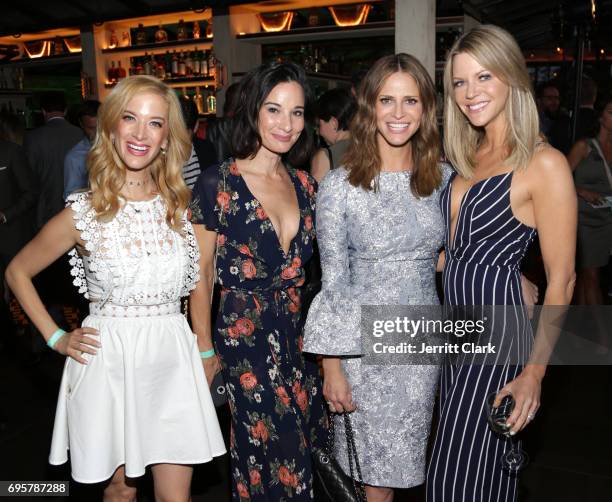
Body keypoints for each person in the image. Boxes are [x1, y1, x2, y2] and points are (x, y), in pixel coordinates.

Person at [5, 75, 225, 499]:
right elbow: (17, 271)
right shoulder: (82, 213)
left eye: (155, 123)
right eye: (130, 118)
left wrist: (205, 348)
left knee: (175, 496)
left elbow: (202, 278)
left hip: (172, 359)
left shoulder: (182, 209)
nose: (141, 133)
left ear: (167, 139)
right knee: (120, 493)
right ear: (110, 129)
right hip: (108, 363)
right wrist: (55, 337)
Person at [426, 25, 576, 502]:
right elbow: (457, 249)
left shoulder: (543, 163)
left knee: (459, 476)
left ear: (511, 77)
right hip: (455, 334)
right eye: (459, 82)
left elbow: (564, 280)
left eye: (484, 77)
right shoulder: (466, 155)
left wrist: (534, 372)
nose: (470, 93)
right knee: (466, 474)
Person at [304, 53, 450, 501]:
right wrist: (332, 366)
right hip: (365, 348)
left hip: (421, 341)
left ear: (426, 108)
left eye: (411, 101)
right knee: (375, 482)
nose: (399, 113)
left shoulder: (444, 179)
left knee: (403, 470)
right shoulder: (340, 185)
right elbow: (333, 281)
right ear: (370, 107)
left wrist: (504, 274)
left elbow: (448, 257)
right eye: (388, 100)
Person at [189, 62, 325, 501]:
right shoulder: (217, 183)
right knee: (275, 450)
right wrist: (205, 347)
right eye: (275, 110)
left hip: (296, 337)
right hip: (242, 338)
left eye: (297, 113)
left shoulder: (306, 185)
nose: (286, 125)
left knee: (301, 444)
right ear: (253, 111)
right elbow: (202, 273)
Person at [567, 98, 612, 307]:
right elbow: (559, 180)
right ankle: (604, 336)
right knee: (591, 275)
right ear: (601, 117)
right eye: (611, 112)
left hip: (607, 217)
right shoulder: (584, 146)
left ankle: (582, 328)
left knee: (588, 275)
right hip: (585, 220)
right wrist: (582, 190)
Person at [24, 91, 83, 229]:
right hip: (78, 206)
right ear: (66, 110)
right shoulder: (80, 134)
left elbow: (28, 176)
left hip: (45, 207)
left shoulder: (33, 137)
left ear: (43, 111)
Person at [0, 137, 36, 352]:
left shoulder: (11, 151)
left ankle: (32, 341)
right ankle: (9, 339)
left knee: (19, 288)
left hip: (10, 234)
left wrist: (5, 215)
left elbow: (31, 192)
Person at [310, 88, 356, 182]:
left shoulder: (325, 156)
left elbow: (314, 195)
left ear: (334, 123)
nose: (317, 132)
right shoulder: (371, 149)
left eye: (319, 125)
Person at [63, 100, 101, 199]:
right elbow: (71, 197)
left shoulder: (120, 146)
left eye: (100, 127)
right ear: (81, 125)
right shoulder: (75, 157)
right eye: (91, 128)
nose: (97, 132)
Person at [535, 81, 570, 154]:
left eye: (557, 98)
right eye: (549, 98)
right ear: (539, 100)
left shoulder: (560, 119)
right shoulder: (534, 122)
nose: (555, 102)